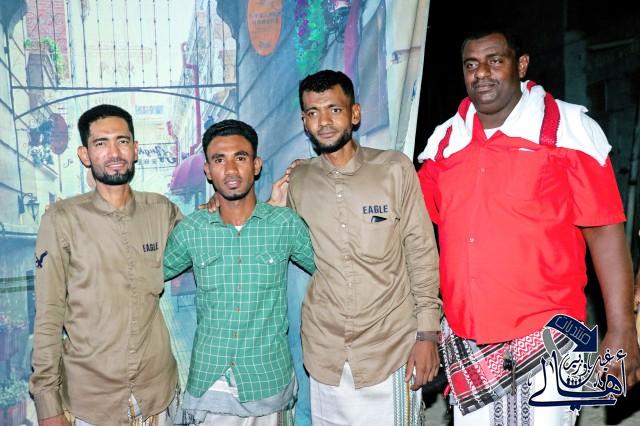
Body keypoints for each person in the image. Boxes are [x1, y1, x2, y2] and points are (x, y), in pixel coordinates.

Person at [417, 30, 640, 424]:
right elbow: (415, 229)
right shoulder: (445, 142)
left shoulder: (568, 129)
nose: (481, 73)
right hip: (468, 340)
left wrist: (621, 330)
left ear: (520, 65)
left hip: (549, 338)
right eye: (471, 64)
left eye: (495, 61)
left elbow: (604, 231)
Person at [284, 69, 441, 425]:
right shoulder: (300, 180)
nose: (324, 122)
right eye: (313, 112)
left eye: (334, 109)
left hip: (392, 349)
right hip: (326, 355)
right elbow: (279, 241)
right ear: (304, 122)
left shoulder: (394, 169)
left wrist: (428, 334)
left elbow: (421, 253)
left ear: (355, 114)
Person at [29, 104, 180, 425]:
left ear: (135, 149)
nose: (114, 153)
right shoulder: (61, 220)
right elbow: (48, 315)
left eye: (122, 141)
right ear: (85, 155)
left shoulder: (161, 211)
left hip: (157, 395)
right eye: (101, 143)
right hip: (92, 402)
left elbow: (209, 240)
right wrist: (47, 403)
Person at [163, 119, 316, 425]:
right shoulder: (192, 230)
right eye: (219, 160)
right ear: (208, 170)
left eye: (240, 157)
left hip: (268, 382)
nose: (231, 170)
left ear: (256, 165)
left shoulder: (284, 225)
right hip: (209, 383)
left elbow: (334, 271)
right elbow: (143, 278)